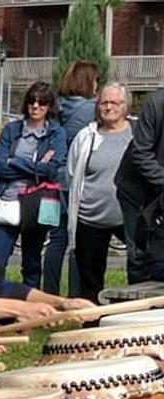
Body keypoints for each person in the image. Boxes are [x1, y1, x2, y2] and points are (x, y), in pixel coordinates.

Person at [0, 82, 67, 290]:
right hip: (8, 201)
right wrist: (36, 167)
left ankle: (29, 305)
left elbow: (52, 170)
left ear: (49, 106)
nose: (36, 105)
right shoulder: (12, 130)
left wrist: (14, 161)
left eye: (42, 102)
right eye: (32, 100)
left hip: (38, 203)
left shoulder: (56, 134)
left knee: (32, 262)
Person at [67, 83, 134, 302]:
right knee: (91, 281)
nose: (108, 107)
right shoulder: (86, 136)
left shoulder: (139, 133)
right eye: (104, 102)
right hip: (90, 219)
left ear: (125, 106)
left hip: (130, 218)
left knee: (142, 271)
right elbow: (72, 173)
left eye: (114, 102)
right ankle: (91, 325)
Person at [43, 61, 99, 295]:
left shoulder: (56, 107)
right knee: (77, 240)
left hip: (51, 181)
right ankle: (76, 294)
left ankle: (49, 293)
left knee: (55, 241)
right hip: (75, 182)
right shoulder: (89, 110)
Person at [115, 86, 164, 284]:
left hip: (159, 188)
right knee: (139, 254)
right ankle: (136, 306)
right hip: (136, 190)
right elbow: (141, 153)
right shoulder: (156, 103)